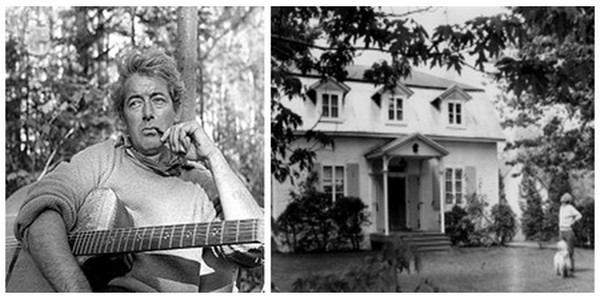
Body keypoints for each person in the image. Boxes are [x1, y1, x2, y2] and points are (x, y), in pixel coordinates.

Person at [13, 48, 263, 292]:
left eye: (158, 100)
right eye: (135, 103)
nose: (147, 114)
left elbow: (253, 246)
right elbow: (39, 213)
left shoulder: (202, 184)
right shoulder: (103, 159)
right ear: (123, 117)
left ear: (175, 110)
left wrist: (213, 156)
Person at [558, 192, 581, 273]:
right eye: (562, 199)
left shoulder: (570, 207)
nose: (562, 200)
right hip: (561, 231)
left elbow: (579, 215)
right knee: (561, 250)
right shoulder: (561, 208)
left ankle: (571, 267)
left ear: (567, 200)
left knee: (570, 251)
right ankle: (563, 266)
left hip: (568, 231)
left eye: (564, 199)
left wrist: (574, 221)